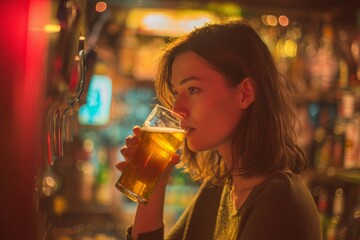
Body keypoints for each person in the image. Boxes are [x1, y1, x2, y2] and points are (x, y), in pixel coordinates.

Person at [116, 19, 322, 240]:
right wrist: (153, 186)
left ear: (245, 94)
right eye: (177, 93)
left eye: (193, 89)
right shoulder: (219, 188)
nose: (177, 109)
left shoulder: (279, 201)